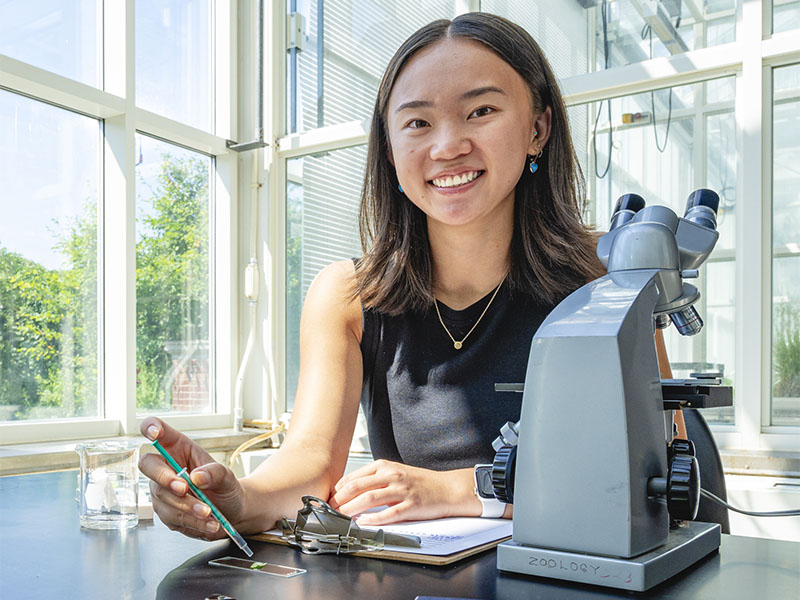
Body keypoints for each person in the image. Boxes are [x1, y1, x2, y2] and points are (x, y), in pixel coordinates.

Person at [139, 12, 609, 541]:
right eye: (418, 123)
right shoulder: (347, 295)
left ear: (537, 128)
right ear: (390, 149)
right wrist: (235, 498)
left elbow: (641, 476)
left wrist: (461, 490)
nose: (447, 145)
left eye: (481, 111)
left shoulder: (605, 282)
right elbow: (311, 461)